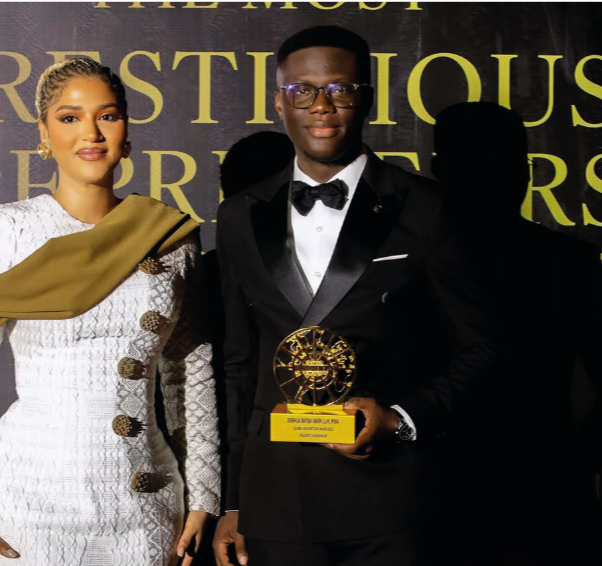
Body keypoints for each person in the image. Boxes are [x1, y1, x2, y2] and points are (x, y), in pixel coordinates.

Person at [213, 26, 505, 566]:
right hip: (277, 502)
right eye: (302, 90)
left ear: (366, 98)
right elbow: (237, 363)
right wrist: (233, 500)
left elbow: (484, 346)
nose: (321, 106)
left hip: (394, 502)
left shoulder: (428, 208)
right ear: (279, 103)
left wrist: (401, 418)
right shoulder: (238, 216)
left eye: (340, 90)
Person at [0, 58, 220, 566]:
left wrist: (203, 495)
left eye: (107, 116)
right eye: (69, 118)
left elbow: (189, 374)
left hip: (146, 502)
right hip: (24, 501)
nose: (91, 132)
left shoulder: (170, 238)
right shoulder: (8, 230)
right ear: (44, 133)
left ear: (126, 130)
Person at [432, 101, 602, 566]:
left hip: (518, 511)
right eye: (477, 165)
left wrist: (563, 471)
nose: (492, 179)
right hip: (459, 508)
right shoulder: (570, 262)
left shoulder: (571, 264)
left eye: (504, 164)